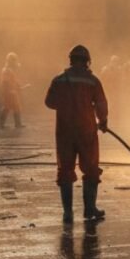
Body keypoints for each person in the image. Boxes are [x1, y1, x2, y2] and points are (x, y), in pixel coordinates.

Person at [45, 45, 108, 223]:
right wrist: (102, 121)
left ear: (71, 60)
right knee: (90, 168)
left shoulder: (58, 80)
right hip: (87, 131)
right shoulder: (93, 81)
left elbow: (49, 102)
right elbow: (101, 104)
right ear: (87, 61)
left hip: (64, 132)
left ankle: (68, 213)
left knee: (65, 169)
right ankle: (89, 209)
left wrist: (66, 106)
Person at [0, 52, 28, 129]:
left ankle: (17, 124)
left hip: (12, 91)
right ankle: (2, 125)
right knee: (7, 107)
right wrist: (9, 90)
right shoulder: (7, 70)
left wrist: (18, 87)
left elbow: (13, 81)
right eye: (14, 60)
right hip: (9, 92)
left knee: (15, 107)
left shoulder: (10, 70)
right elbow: (5, 82)